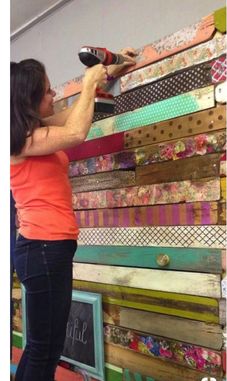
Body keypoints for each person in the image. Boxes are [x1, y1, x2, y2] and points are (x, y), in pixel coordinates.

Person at [10, 47, 136, 381]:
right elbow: (77, 132)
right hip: (43, 249)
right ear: (28, 101)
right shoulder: (18, 143)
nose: (53, 95)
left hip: (47, 249)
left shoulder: (33, 132)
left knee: (39, 348)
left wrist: (106, 75)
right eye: (47, 91)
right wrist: (91, 76)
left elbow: (75, 115)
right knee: (45, 350)